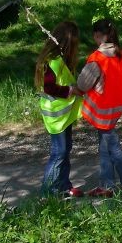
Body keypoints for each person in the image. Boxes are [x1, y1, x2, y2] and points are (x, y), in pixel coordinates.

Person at [78, 19, 122, 197]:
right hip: (117, 107)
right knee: (107, 145)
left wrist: (75, 89)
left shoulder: (97, 58)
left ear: (97, 36)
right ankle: (110, 184)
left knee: (111, 146)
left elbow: (83, 84)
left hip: (102, 109)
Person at [35, 21, 84, 198]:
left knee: (65, 149)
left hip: (64, 115)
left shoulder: (61, 60)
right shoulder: (52, 62)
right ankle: (47, 193)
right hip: (56, 116)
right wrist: (71, 90)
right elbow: (49, 88)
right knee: (59, 152)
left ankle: (63, 185)